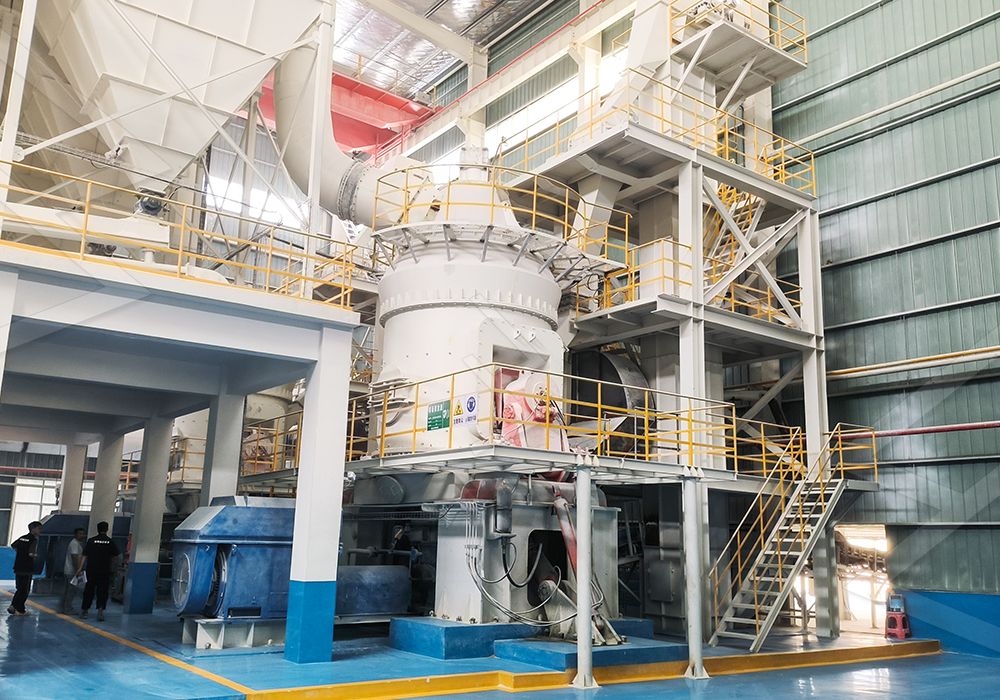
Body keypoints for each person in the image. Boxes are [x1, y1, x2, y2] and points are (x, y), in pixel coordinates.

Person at [77, 521, 120, 622]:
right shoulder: (110, 542)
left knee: (88, 591)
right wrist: (114, 568)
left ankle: (84, 611)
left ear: (97, 529)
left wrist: (79, 568)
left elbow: (84, 556)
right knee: (102, 592)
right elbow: (116, 557)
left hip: (91, 570)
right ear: (107, 529)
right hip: (104, 571)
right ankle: (100, 612)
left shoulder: (91, 541)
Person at [8, 521, 42, 616]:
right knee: (25, 590)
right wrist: (34, 556)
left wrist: (21, 554)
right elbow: (31, 554)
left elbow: (13, 545)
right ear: (33, 529)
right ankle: (20, 610)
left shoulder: (23, 538)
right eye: (39, 528)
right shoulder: (34, 540)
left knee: (19, 588)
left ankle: (13, 606)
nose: (40, 531)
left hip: (18, 567)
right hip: (27, 568)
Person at [61, 528, 87, 614]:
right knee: (71, 591)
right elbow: (74, 557)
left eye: (83, 534)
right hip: (72, 571)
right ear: (75, 534)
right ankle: (67, 609)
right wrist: (78, 570)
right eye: (80, 534)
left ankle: (65, 607)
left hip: (71, 571)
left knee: (69, 590)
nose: (82, 535)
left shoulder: (77, 544)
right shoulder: (74, 544)